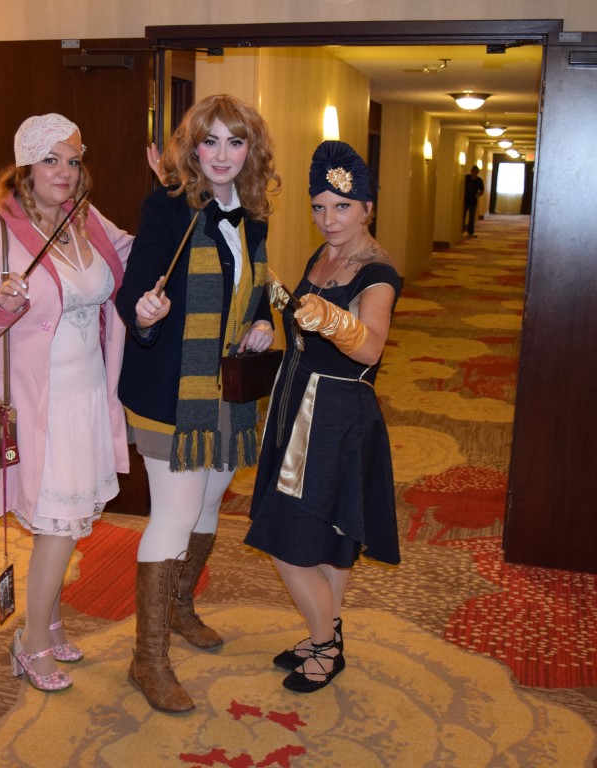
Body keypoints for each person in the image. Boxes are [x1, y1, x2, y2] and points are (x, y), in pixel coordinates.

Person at [0, 114, 133, 693]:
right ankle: (31, 643)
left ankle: (49, 621)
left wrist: (179, 194)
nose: (65, 172)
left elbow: (137, 255)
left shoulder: (87, 219)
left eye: (73, 160)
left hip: (88, 397)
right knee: (58, 526)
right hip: (39, 406)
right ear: (25, 167)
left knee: (68, 523)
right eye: (51, 160)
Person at [114, 94, 280, 713]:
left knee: (211, 499)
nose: (222, 155)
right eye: (210, 141)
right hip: (171, 391)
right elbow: (136, 290)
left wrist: (262, 322)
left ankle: (180, 606)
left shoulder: (253, 215)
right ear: (192, 147)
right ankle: (147, 658)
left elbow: (255, 291)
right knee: (176, 513)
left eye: (235, 141)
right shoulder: (168, 207)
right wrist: (145, 312)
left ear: (250, 150)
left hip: (226, 390)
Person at [245, 140, 402, 693]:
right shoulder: (322, 255)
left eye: (342, 206)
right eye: (319, 206)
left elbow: (371, 347)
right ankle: (321, 637)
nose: (329, 219)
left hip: (333, 415)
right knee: (329, 538)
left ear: (367, 208)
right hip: (296, 402)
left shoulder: (378, 272)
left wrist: (335, 322)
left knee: (286, 538)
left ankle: (326, 644)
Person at [463, 164, 485, 236]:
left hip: (473, 201)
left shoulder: (479, 180)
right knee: (463, 216)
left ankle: (471, 232)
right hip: (465, 200)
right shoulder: (467, 178)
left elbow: (482, 190)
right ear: (471, 171)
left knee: (472, 217)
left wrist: (478, 195)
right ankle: (461, 230)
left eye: (476, 172)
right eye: (474, 172)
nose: (475, 173)